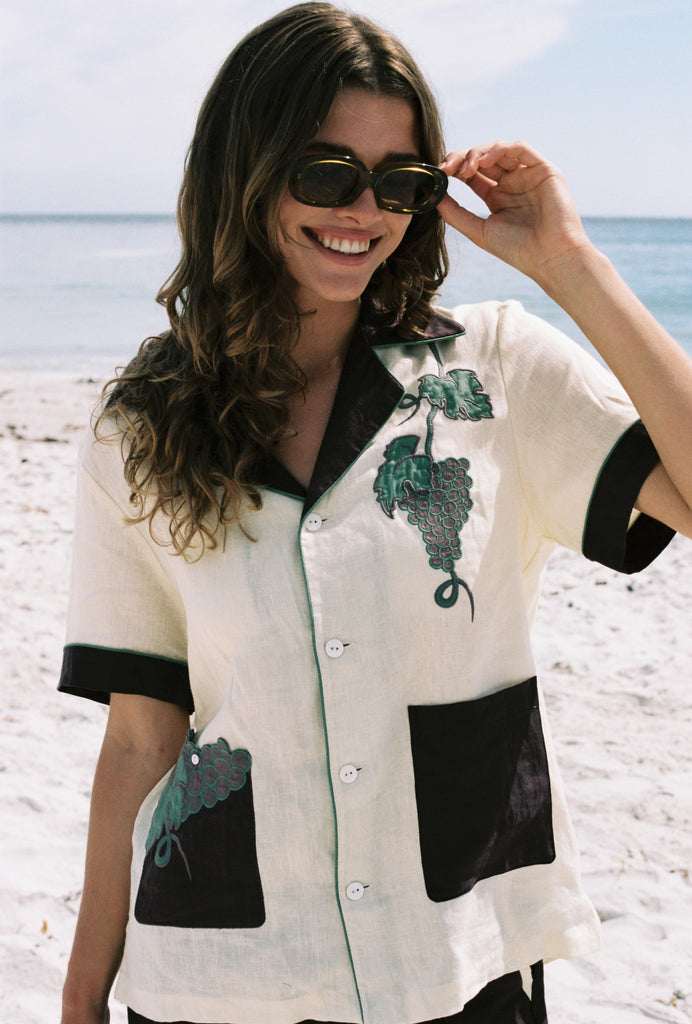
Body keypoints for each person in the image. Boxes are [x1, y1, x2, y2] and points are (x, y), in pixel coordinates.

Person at [58, 4, 692, 1024]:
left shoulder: (493, 369)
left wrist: (571, 265)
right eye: (324, 173)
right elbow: (142, 736)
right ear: (247, 168)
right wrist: (81, 997)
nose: (363, 209)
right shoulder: (138, 424)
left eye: (399, 183)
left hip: (456, 962)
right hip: (222, 980)